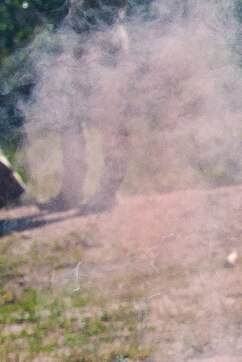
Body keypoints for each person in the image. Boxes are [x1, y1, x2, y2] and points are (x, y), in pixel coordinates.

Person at [41, 0, 132, 214]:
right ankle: (71, 193)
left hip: (106, 38)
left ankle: (108, 192)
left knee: (110, 117)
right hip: (81, 40)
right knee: (70, 117)